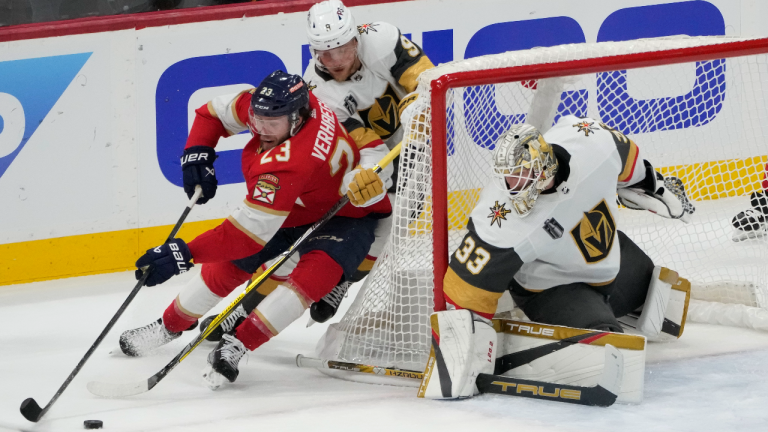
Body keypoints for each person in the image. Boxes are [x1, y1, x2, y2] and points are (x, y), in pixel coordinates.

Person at [119, 70, 391, 389]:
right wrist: (197, 151)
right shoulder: (275, 107)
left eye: (270, 123)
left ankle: (240, 343)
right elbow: (212, 113)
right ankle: (168, 326)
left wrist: (184, 253)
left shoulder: (292, 160)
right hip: (295, 208)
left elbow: (245, 236)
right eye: (257, 119)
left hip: (346, 214)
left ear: (298, 118)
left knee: (312, 279)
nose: (260, 128)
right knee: (228, 268)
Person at [194, 0, 437, 337]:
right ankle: (243, 310)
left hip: (416, 146)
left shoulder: (382, 38)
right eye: (326, 53)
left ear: (356, 37)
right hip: (364, 158)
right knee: (313, 242)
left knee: (391, 232)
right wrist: (371, 172)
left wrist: (418, 107)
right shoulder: (316, 94)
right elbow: (361, 140)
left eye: (342, 48)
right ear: (313, 51)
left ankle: (341, 281)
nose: (336, 61)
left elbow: (425, 77)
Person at [417, 117, 696, 399]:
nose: (512, 187)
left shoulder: (592, 144)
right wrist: (464, 344)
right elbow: (464, 287)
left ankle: (619, 305)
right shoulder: (501, 219)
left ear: (543, 166)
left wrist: (652, 183)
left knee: (654, 291)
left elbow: (626, 157)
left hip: (608, 258)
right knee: (606, 342)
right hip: (554, 287)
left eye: (519, 176)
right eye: (507, 177)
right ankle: (595, 320)